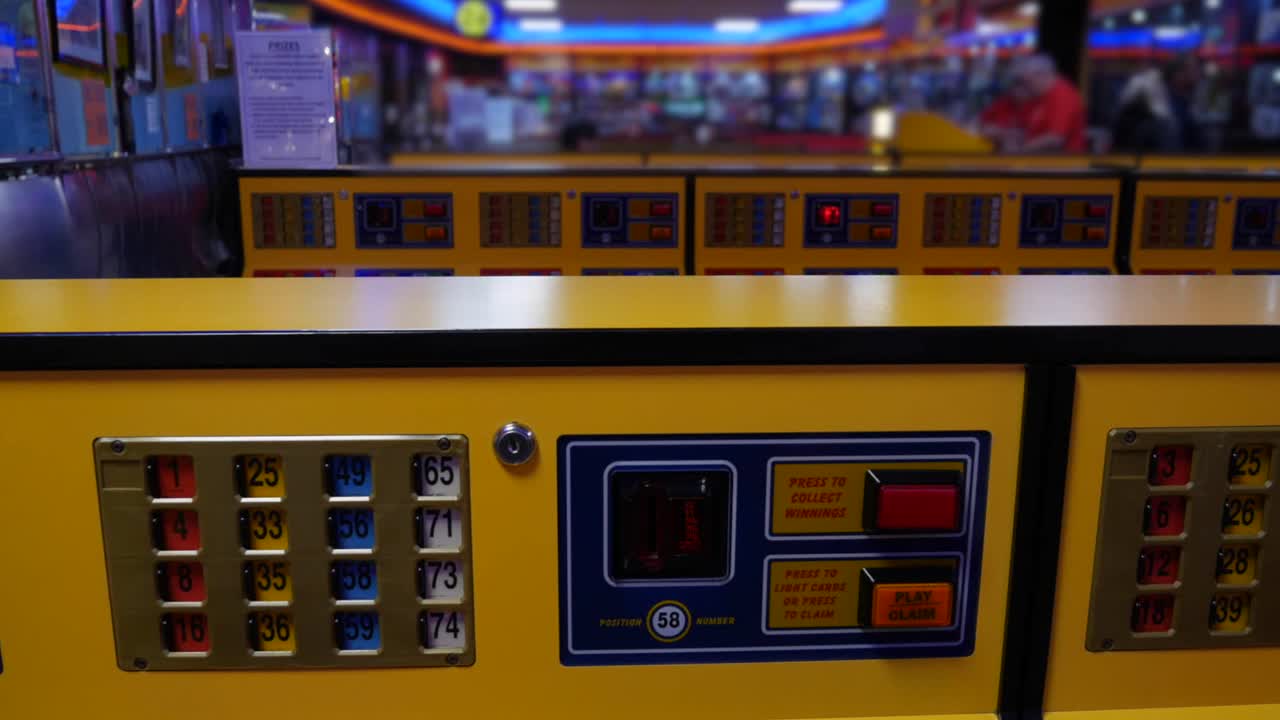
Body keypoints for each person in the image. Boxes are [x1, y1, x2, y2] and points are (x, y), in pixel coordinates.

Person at [980, 54, 1088, 153]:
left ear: (1041, 75)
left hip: (1060, 162)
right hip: (1035, 158)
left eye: (1028, 81)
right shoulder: (1038, 97)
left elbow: (1055, 138)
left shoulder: (1062, 95)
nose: (1027, 86)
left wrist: (1020, 151)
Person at [1110, 55, 1203, 152]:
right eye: (1194, 70)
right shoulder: (1148, 86)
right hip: (1148, 158)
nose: (1198, 74)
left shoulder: (1186, 96)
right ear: (1179, 73)